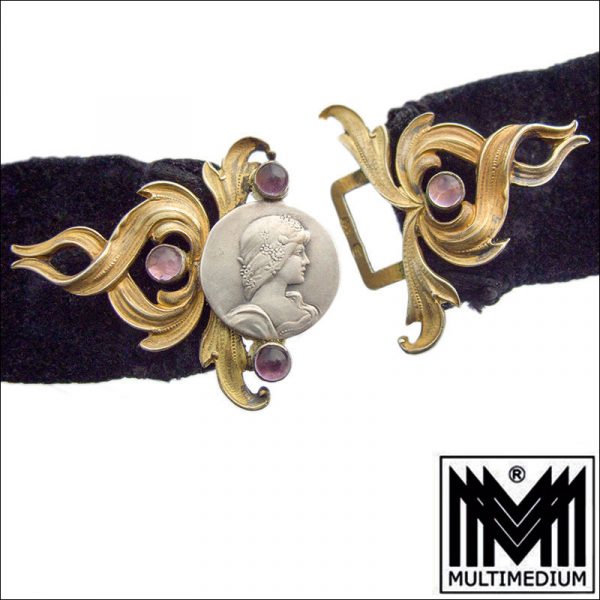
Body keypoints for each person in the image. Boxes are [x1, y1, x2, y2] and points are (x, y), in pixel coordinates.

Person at [225, 214, 319, 338]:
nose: (306, 261)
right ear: (274, 259)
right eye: (299, 252)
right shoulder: (248, 319)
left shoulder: (300, 304)